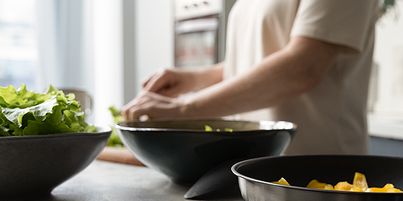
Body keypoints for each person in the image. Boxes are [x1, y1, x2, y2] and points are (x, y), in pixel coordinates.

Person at [122, 0, 379, 155]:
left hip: (318, 174)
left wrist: (185, 108)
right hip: (252, 168)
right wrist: (197, 78)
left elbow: (304, 66)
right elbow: (260, 59)